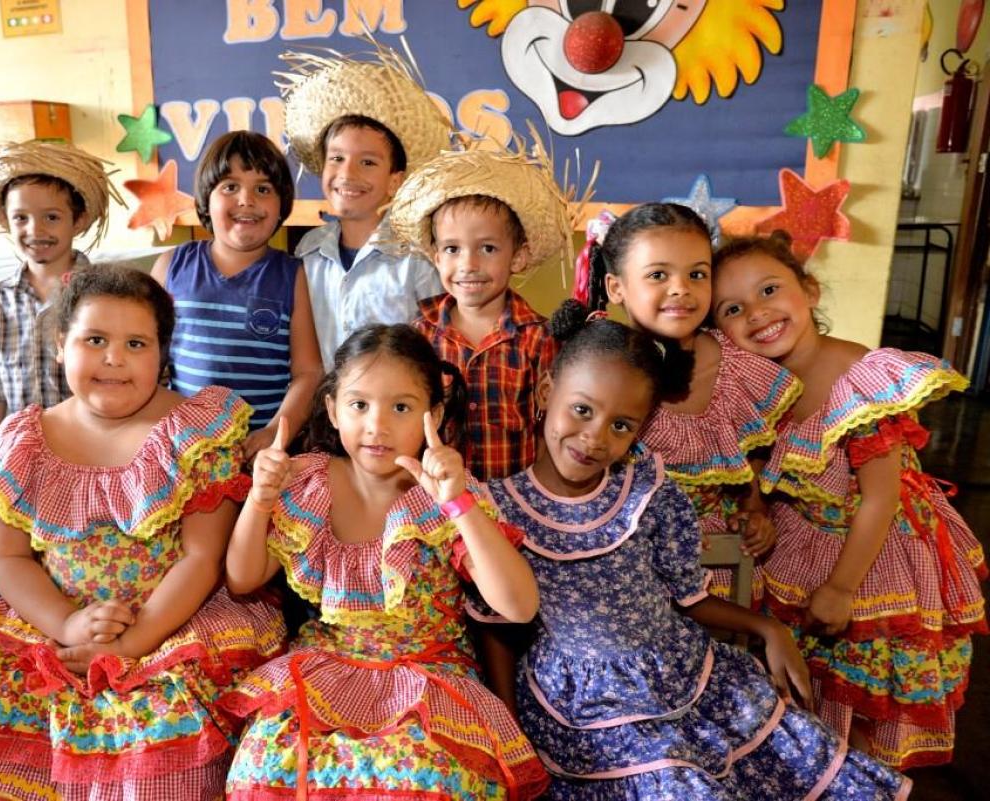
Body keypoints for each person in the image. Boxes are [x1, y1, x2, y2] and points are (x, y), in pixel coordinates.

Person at [0, 266, 286, 800]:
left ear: (162, 353)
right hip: (55, 620)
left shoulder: (194, 433)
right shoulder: (24, 441)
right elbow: (7, 558)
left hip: (173, 621)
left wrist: (132, 645)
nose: (113, 358)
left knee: (156, 742)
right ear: (60, 345)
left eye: (135, 343)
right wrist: (68, 624)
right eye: (94, 339)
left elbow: (202, 557)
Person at [481, 304, 911, 799]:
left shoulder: (648, 493)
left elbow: (688, 597)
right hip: (585, 709)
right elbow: (496, 631)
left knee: (805, 763)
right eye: (582, 410)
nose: (595, 438)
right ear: (545, 392)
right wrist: (508, 729)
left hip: (685, 675)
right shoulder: (496, 511)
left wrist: (767, 628)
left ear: (641, 429)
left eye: (622, 425)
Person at [221, 324, 549, 800]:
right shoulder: (307, 482)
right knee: (265, 769)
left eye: (401, 407)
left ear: (434, 415)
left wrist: (459, 506)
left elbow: (519, 606)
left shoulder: (445, 497)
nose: (377, 426)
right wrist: (260, 499)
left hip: (428, 681)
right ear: (332, 409)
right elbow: (242, 578)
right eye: (359, 405)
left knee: (416, 781)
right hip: (324, 672)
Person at [712, 232, 988, 770]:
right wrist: (759, 510)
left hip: (873, 555)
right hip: (803, 542)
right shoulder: (756, 387)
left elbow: (880, 499)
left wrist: (840, 589)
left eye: (769, 290)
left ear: (810, 291)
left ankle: (864, 778)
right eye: (733, 308)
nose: (757, 313)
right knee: (810, 690)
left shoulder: (858, 380)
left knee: (861, 697)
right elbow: (760, 465)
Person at [591, 202, 801, 600]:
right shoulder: (598, 372)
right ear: (616, 288)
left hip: (721, 570)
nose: (681, 289)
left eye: (697, 274)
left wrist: (755, 511)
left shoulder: (742, 366)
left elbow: (759, 452)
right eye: (658, 275)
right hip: (627, 575)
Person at [0, 140, 122, 493]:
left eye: (52, 217)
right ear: (5, 220)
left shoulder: (106, 295)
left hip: (92, 456)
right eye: (21, 218)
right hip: (20, 461)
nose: (36, 230)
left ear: (78, 220)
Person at [388, 142, 563, 480]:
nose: (468, 264)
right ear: (436, 258)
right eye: (452, 249)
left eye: (488, 248)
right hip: (437, 499)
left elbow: (549, 430)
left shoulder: (539, 339)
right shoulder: (419, 335)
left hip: (512, 500)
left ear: (518, 257)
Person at [151, 130, 323, 460]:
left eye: (263, 189)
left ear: (282, 205)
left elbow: (309, 372)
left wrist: (274, 432)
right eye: (230, 187)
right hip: (182, 452)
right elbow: (147, 361)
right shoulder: (170, 266)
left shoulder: (294, 275)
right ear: (206, 198)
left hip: (259, 458)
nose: (246, 199)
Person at [280, 44, 450, 370]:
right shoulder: (308, 251)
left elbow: (438, 350)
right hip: (322, 401)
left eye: (368, 162)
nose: (348, 173)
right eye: (337, 158)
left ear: (395, 181)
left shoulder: (417, 258)